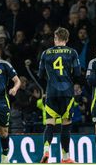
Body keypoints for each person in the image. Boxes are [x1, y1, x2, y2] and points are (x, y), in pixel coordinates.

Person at [38, 27, 81, 163]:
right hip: (67, 92)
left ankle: (46, 150)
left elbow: (40, 75)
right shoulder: (72, 52)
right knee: (66, 124)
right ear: (67, 39)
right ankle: (65, 157)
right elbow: (78, 73)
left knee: (49, 124)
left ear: (55, 38)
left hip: (51, 92)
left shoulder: (46, 53)